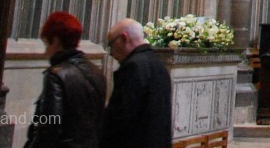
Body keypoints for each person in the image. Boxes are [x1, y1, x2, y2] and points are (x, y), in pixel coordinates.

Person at [28, 11, 105, 148]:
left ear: (56, 41)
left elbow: (50, 127)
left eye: (47, 44)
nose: (45, 52)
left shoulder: (56, 75)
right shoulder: (97, 72)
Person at [101, 18, 172, 148]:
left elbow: (121, 117)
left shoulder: (133, 66)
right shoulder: (158, 64)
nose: (111, 53)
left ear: (124, 38)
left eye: (111, 44)